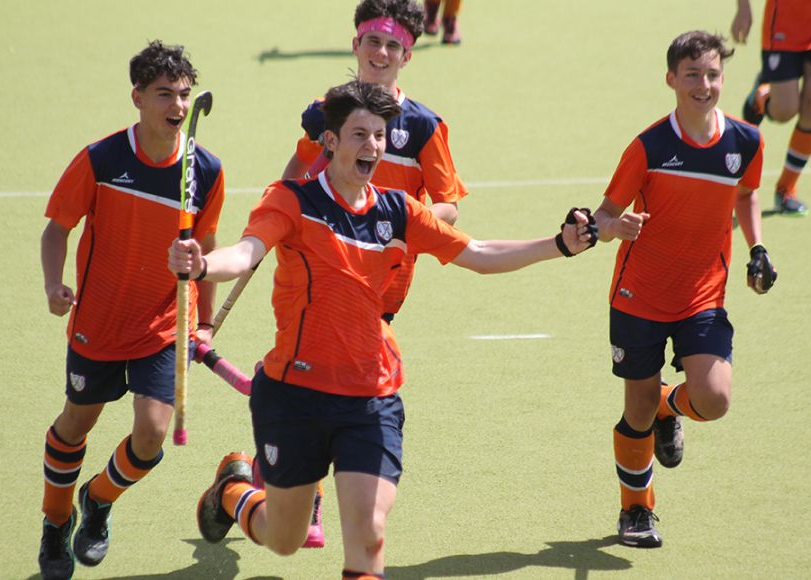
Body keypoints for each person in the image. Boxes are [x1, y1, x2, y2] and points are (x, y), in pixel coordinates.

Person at [168, 78, 595, 579]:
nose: (371, 145)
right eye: (358, 134)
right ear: (330, 142)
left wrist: (559, 244)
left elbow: (477, 254)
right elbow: (245, 253)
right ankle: (233, 492)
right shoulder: (290, 201)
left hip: (370, 395)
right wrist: (200, 265)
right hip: (294, 395)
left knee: (369, 530)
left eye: (378, 135)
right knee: (285, 538)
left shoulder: (399, 211)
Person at [280, 0, 469, 547]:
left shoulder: (424, 126)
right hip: (316, 272)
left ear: (407, 55)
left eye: (393, 46)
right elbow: (296, 173)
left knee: (339, 383)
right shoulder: (325, 113)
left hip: (383, 280)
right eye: (372, 43)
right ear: (355, 45)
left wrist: (400, 222)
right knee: (328, 379)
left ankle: (256, 475)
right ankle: (309, 494)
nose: (381, 54)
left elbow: (449, 205)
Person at [38, 40, 224, 579]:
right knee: (76, 424)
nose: (177, 105)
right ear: (138, 97)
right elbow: (57, 228)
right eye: (164, 93)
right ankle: (54, 522)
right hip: (97, 323)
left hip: (162, 326)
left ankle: (97, 500)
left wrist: (204, 322)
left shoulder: (205, 171)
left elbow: (206, 250)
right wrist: (55, 284)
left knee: (151, 432)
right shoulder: (101, 160)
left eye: (184, 94)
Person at [588, 31, 777, 548]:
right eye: (691, 74)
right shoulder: (649, 146)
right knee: (638, 408)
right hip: (640, 296)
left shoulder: (745, 142)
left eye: (712, 74)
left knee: (713, 399)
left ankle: (675, 407)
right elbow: (604, 215)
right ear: (671, 79)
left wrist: (758, 248)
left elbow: (747, 197)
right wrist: (615, 225)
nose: (703, 84)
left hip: (702, 295)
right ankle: (636, 510)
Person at [731, 0, 811, 215]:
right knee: (785, 111)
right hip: (784, 26)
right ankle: (762, 96)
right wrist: (744, 9)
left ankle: (786, 189)